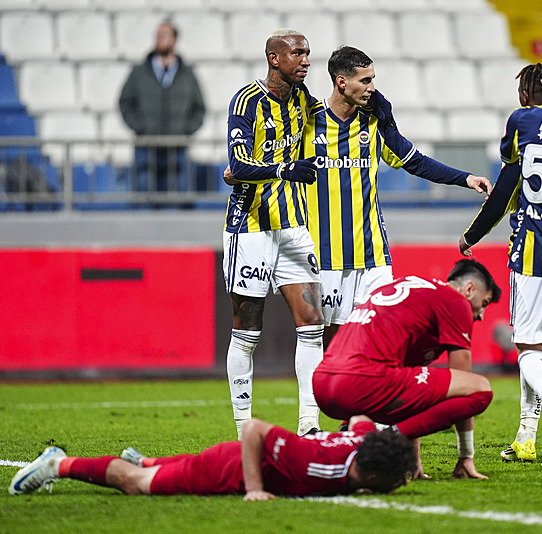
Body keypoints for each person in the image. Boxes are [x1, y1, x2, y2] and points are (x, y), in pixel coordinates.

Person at [301, 46, 492, 347]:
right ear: (341, 82)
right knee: (320, 338)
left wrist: (465, 178)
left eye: (372, 79)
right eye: (364, 81)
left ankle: (371, 394)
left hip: (372, 256)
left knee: (378, 333)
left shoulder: (374, 122)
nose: (372, 88)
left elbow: (414, 161)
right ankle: (316, 396)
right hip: (323, 255)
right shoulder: (307, 122)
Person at [458, 55, 542, 472]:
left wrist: (472, 236)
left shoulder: (523, 125)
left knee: (532, 349)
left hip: (535, 251)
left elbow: (505, 189)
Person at [222, 29, 324, 440]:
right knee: (247, 329)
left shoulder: (305, 101)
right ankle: (244, 426)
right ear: (274, 58)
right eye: (297, 53)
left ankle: (310, 424)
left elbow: (340, 111)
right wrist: (284, 169)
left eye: (308, 54)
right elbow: (237, 166)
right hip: (251, 228)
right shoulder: (246, 101)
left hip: (294, 228)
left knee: (313, 323)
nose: (305, 60)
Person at [313, 259, 500, 480]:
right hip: (361, 380)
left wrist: (413, 459)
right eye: (485, 302)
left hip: (323, 385)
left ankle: (351, 435)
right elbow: (463, 380)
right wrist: (466, 455)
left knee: (416, 381)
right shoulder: (456, 301)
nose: (481, 315)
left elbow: (411, 381)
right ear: (470, 289)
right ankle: (388, 438)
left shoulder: (412, 290)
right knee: (480, 389)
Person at [8, 415, 415, 499]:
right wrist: (255, 490)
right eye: (398, 477)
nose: (403, 483)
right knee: (137, 487)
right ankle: (58, 464)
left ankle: (147, 460)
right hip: (232, 471)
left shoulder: (364, 442)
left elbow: (361, 420)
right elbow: (254, 429)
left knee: (163, 469)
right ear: (372, 473)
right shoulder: (313, 461)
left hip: (235, 459)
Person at [118, 21, 205, 206]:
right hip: (146, 147)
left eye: (164, 35)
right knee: (144, 202)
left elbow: (199, 108)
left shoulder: (187, 74)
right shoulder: (140, 72)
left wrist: (185, 131)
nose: (159, 39)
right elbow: (125, 102)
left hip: (177, 148)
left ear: (174, 40)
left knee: (180, 202)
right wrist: (140, 128)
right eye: (157, 35)